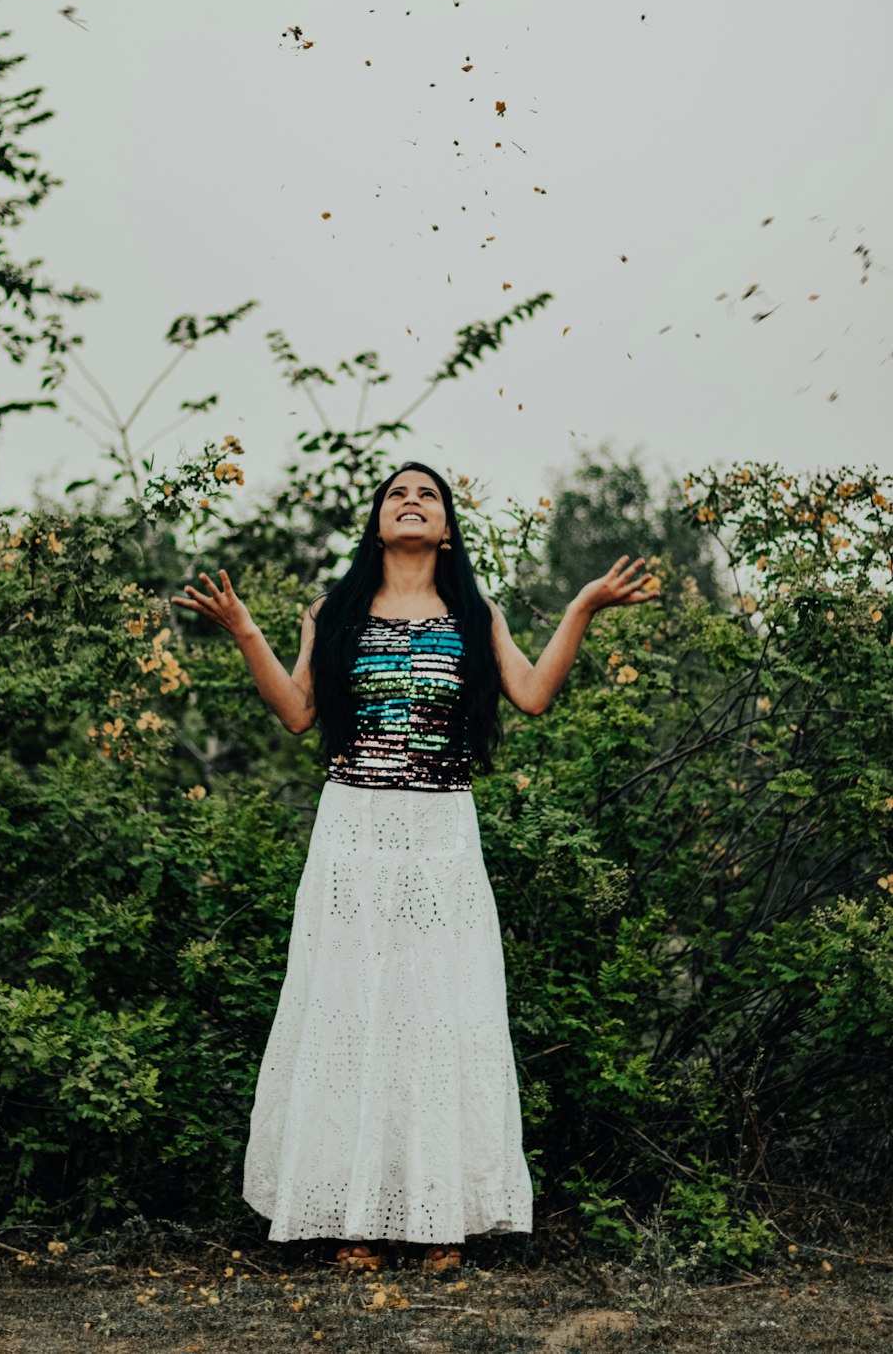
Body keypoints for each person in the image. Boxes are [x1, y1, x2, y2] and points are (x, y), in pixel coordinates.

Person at [172, 461, 659, 1271]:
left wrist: (580, 608)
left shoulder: (475, 614)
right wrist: (244, 630)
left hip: (439, 833)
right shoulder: (333, 613)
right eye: (396, 492)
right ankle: (354, 1220)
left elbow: (533, 694)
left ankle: (439, 1221)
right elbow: (297, 713)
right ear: (377, 522)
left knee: (438, 1010)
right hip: (353, 832)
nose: (410, 500)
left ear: (446, 527)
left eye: (427, 494)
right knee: (351, 1009)